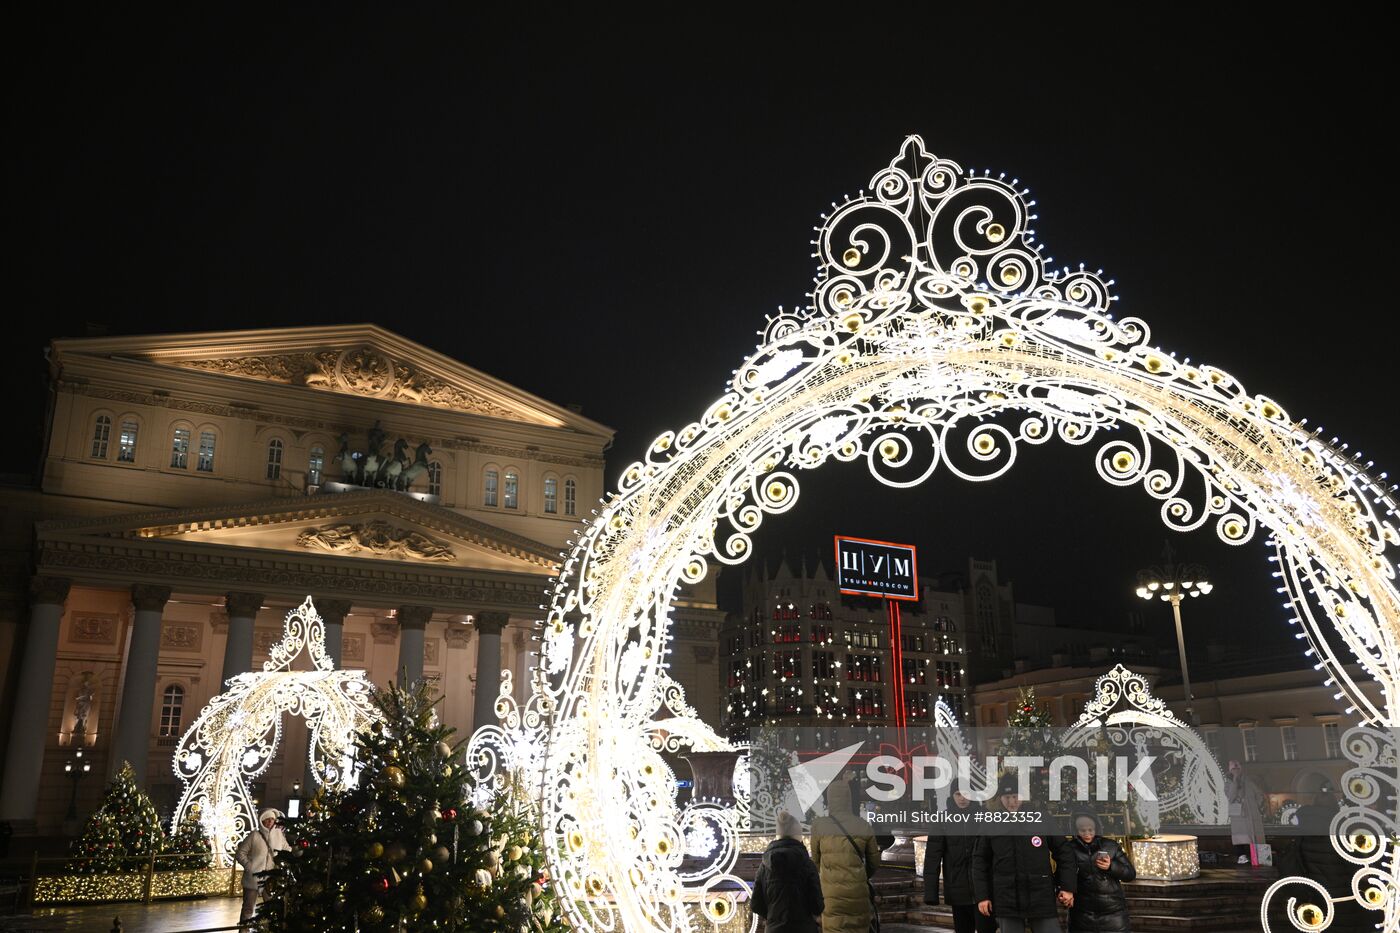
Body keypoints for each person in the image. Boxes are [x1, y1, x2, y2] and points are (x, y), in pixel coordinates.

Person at [972, 776, 1075, 933]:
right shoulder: (990, 823)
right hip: (1006, 898)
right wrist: (982, 896)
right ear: (1001, 798)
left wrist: (1067, 887)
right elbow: (979, 862)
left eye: (1015, 796)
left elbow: (1064, 852)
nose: (1012, 801)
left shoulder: (1041, 818)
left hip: (1040, 895)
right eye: (1007, 797)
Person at [1276, 786, 1372, 932]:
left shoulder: (1302, 832)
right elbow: (1358, 869)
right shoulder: (1342, 831)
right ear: (1334, 806)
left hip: (1315, 900)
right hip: (1343, 901)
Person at [811, 776, 881, 933]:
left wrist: (827, 877)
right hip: (858, 894)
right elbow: (874, 862)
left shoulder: (819, 826)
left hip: (831, 896)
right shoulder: (863, 826)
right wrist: (861, 876)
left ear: (829, 799)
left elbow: (815, 862)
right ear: (849, 799)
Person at [923, 790, 996, 933]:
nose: (962, 798)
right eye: (958, 794)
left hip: (983, 890)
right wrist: (931, 893)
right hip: (957, 889)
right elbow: (932, 857)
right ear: (952, 795)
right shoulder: (943, 820)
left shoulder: (985, 817)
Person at [751, 809, 824, 933]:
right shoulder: (807, 864)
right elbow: (817, 906)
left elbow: (756, 904)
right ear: (798, 836)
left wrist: (773, 917)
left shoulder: (764, 866)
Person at [1063, 812, 1135, 933]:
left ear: (1097, 828)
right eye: (1082, 830)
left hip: (1114, 915)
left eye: (1090, 830)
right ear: (1076, 830)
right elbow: (1062, 874)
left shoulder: (1111, 846)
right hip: (1081, 916)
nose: (1087, 834)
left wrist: (1111, 866)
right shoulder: (1069, 849)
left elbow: (1130, 874)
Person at [235, 808, 289, 924]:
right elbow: (240, 853)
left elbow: (287, 850)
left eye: (272, 820)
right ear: (262, 821)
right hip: (253, 879)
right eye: (267, 820)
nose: (270, 822)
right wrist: (250, 867)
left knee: (270, 909)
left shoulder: (279, 836)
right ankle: (244, 931)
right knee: (248, 909)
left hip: (270, 879)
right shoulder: (254, 835)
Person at [1225, 760, 1266, 864]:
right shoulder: (1228, 783)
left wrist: (1256, 805)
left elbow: (1259, 794)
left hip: (1251, 812)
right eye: (1233, 769)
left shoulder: (1248, 781)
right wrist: (1235, 780)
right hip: (1238, 814)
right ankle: (1241, 856)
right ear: (1230, 770)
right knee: (1240, 835)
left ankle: (1257, 857)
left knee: (1254, 834)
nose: (1236, 771)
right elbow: (1231, 797)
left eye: (1237, 768)